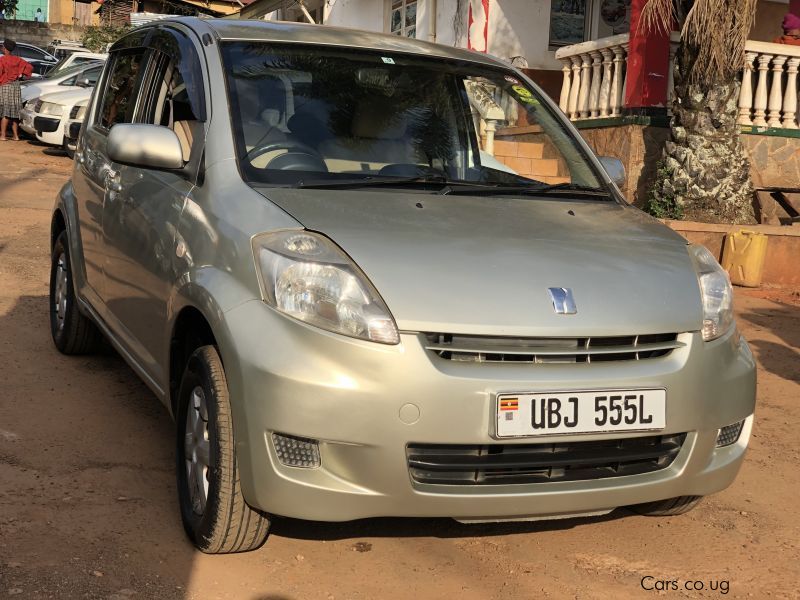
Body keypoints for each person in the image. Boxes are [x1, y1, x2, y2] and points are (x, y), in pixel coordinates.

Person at [0, 40, 33, 141]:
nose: (1, 48)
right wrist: (22, 75)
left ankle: (3, 135)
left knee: (6, 111)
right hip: (16, 86)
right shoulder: (18, 59)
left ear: (5, 48)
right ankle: (16, 136)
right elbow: (29, 67)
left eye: (2, 47)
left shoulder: (2, 59)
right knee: (14, 112)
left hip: (5, 86)